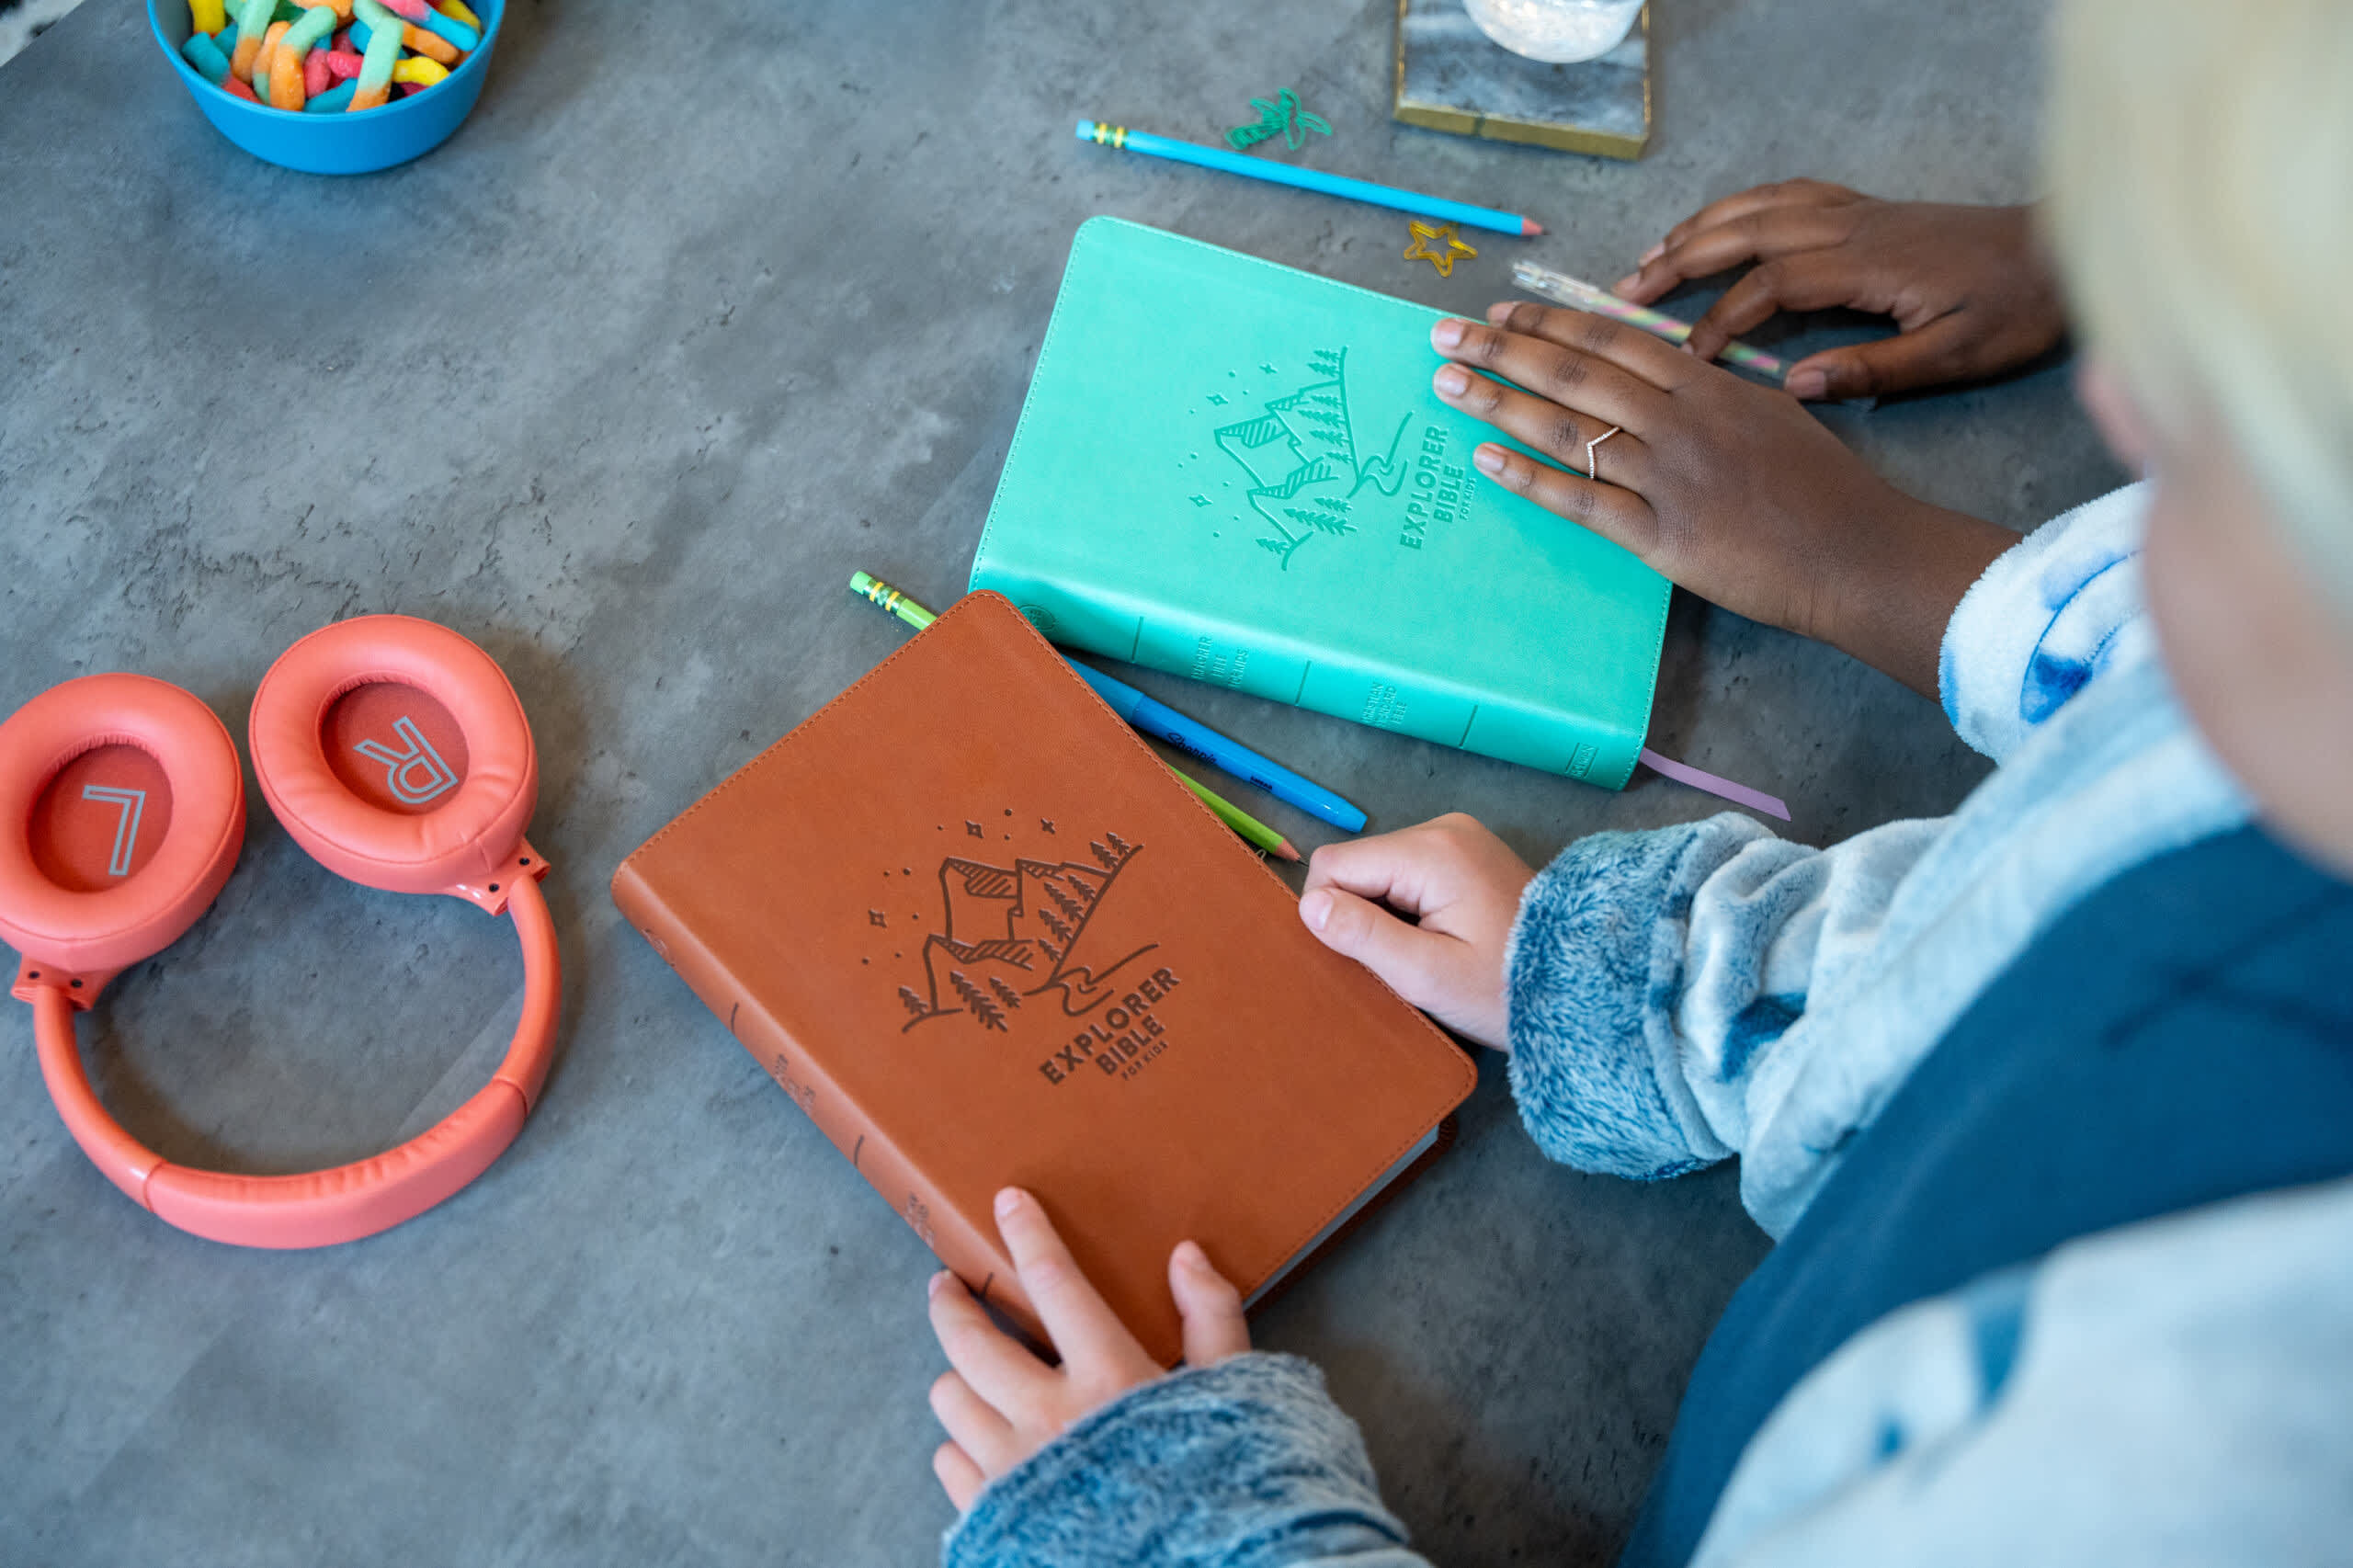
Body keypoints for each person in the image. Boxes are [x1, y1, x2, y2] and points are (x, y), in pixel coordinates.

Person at [916, 0, 2353, 1561]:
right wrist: (1676, 987)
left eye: (2208, 401)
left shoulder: (2210, 1450)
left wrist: (1185, 1533)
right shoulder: (2274, 752)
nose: (2121, 416)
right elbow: (2051, 898)